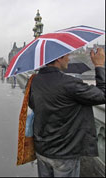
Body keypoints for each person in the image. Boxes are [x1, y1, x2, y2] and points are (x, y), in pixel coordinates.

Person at [28, 48, 105, 177]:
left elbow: (33, 104)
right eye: (67, 56)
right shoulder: (70, 84)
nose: (69, 58)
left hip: (42, 149)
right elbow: (102, 95)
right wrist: (99, 65)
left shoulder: (34, 81)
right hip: (65, 152)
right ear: (59, 58)